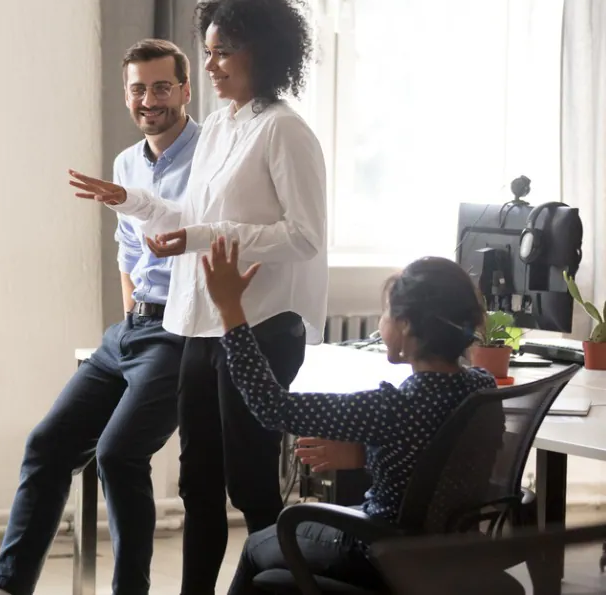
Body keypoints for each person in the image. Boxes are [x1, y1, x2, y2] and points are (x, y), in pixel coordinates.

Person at [68, 0, 329, 591]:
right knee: (197, 485)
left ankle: (277, 587)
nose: (208, 65)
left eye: (220, 53)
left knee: (252, 486)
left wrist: (204, 234)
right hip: (198, 325)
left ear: (260, 52)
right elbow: (188, 218)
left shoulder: (285, 131)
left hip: (260, 326)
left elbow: (304, 236)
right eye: (207, 52)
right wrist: (130, 200)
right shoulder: (218, 127)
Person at [0, 39, 197, 595]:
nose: (148, 99)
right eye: (137, 88)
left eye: (160, 86)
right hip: (131, 329)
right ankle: (7, 587)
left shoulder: (210, 157)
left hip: (181, 333)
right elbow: (127, 250)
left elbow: (201, 233)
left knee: (117, 454)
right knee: (47, 445)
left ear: (184, 89)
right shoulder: (127, 162)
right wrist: (130, 308)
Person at [200, 239, 497, 593]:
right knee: (271, 570)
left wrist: (230, 309)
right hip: (450, 550)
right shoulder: (482, 386)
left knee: (255, 547)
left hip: (379, 551)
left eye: (386, 313)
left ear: (404, 326)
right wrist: (363, 454)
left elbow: (271, 406)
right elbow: (440, 465)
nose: (382, 321)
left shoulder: (392, 407)